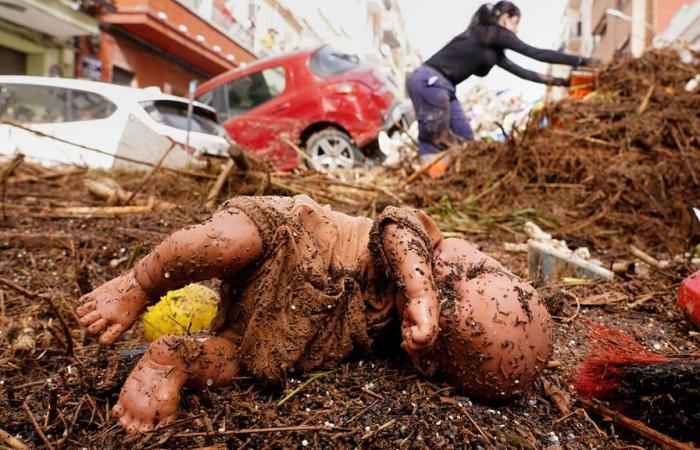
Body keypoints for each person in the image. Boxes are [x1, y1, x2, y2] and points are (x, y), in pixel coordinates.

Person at [76, 195, 553, 433]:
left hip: (287, 327)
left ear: (427, 361)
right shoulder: (419, 250)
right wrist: (422, 287)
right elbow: (396, 222)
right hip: (287, 235)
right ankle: (138, 283)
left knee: (245, 362)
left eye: (452, 287)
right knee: (221, 242)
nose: (454, 268)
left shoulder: (399, 341)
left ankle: (172, 359)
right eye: (475, 270)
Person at [407, 1, 600, 175]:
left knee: (465, 138)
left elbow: (523, 72)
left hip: (446, 86)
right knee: (434, 136)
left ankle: (455, 179)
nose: (516, 31)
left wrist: (561, 82)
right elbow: (536, 53)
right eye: (516, 23)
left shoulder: (492, 48)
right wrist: (584, 61)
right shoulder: (490, 33)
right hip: (429, 79)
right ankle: (432, 183)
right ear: (506, 18)